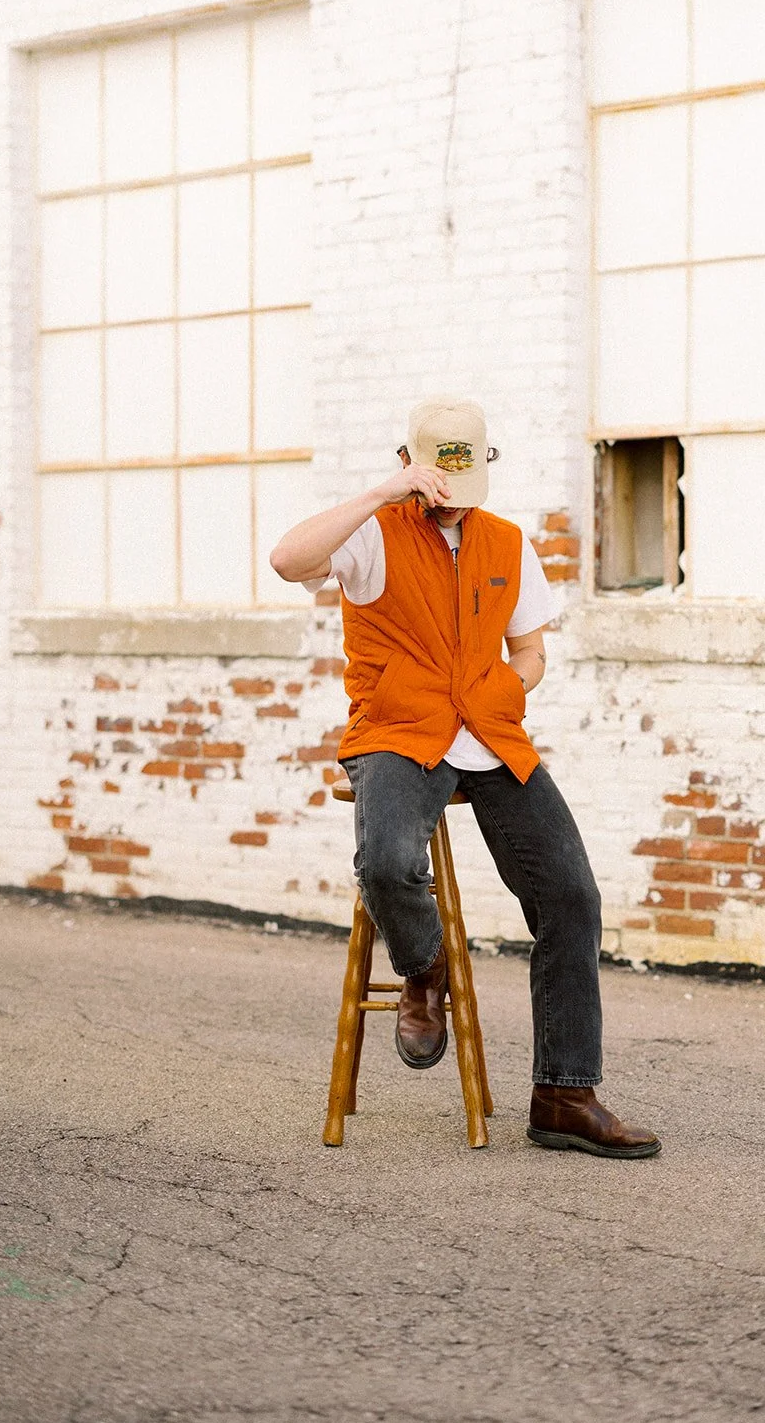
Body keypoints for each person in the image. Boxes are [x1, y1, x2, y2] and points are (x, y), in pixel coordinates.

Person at [270, 398, 660, 1159]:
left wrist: (507, 691)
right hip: (396, 733)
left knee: (570, 896)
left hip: (491, 736)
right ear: (410, 465)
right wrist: (383, 491)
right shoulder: (371, 536)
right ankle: (424, 973)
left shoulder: (507, 543)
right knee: (385, 864)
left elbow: (530, 651)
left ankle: (563, 1095)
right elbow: (289, 561)